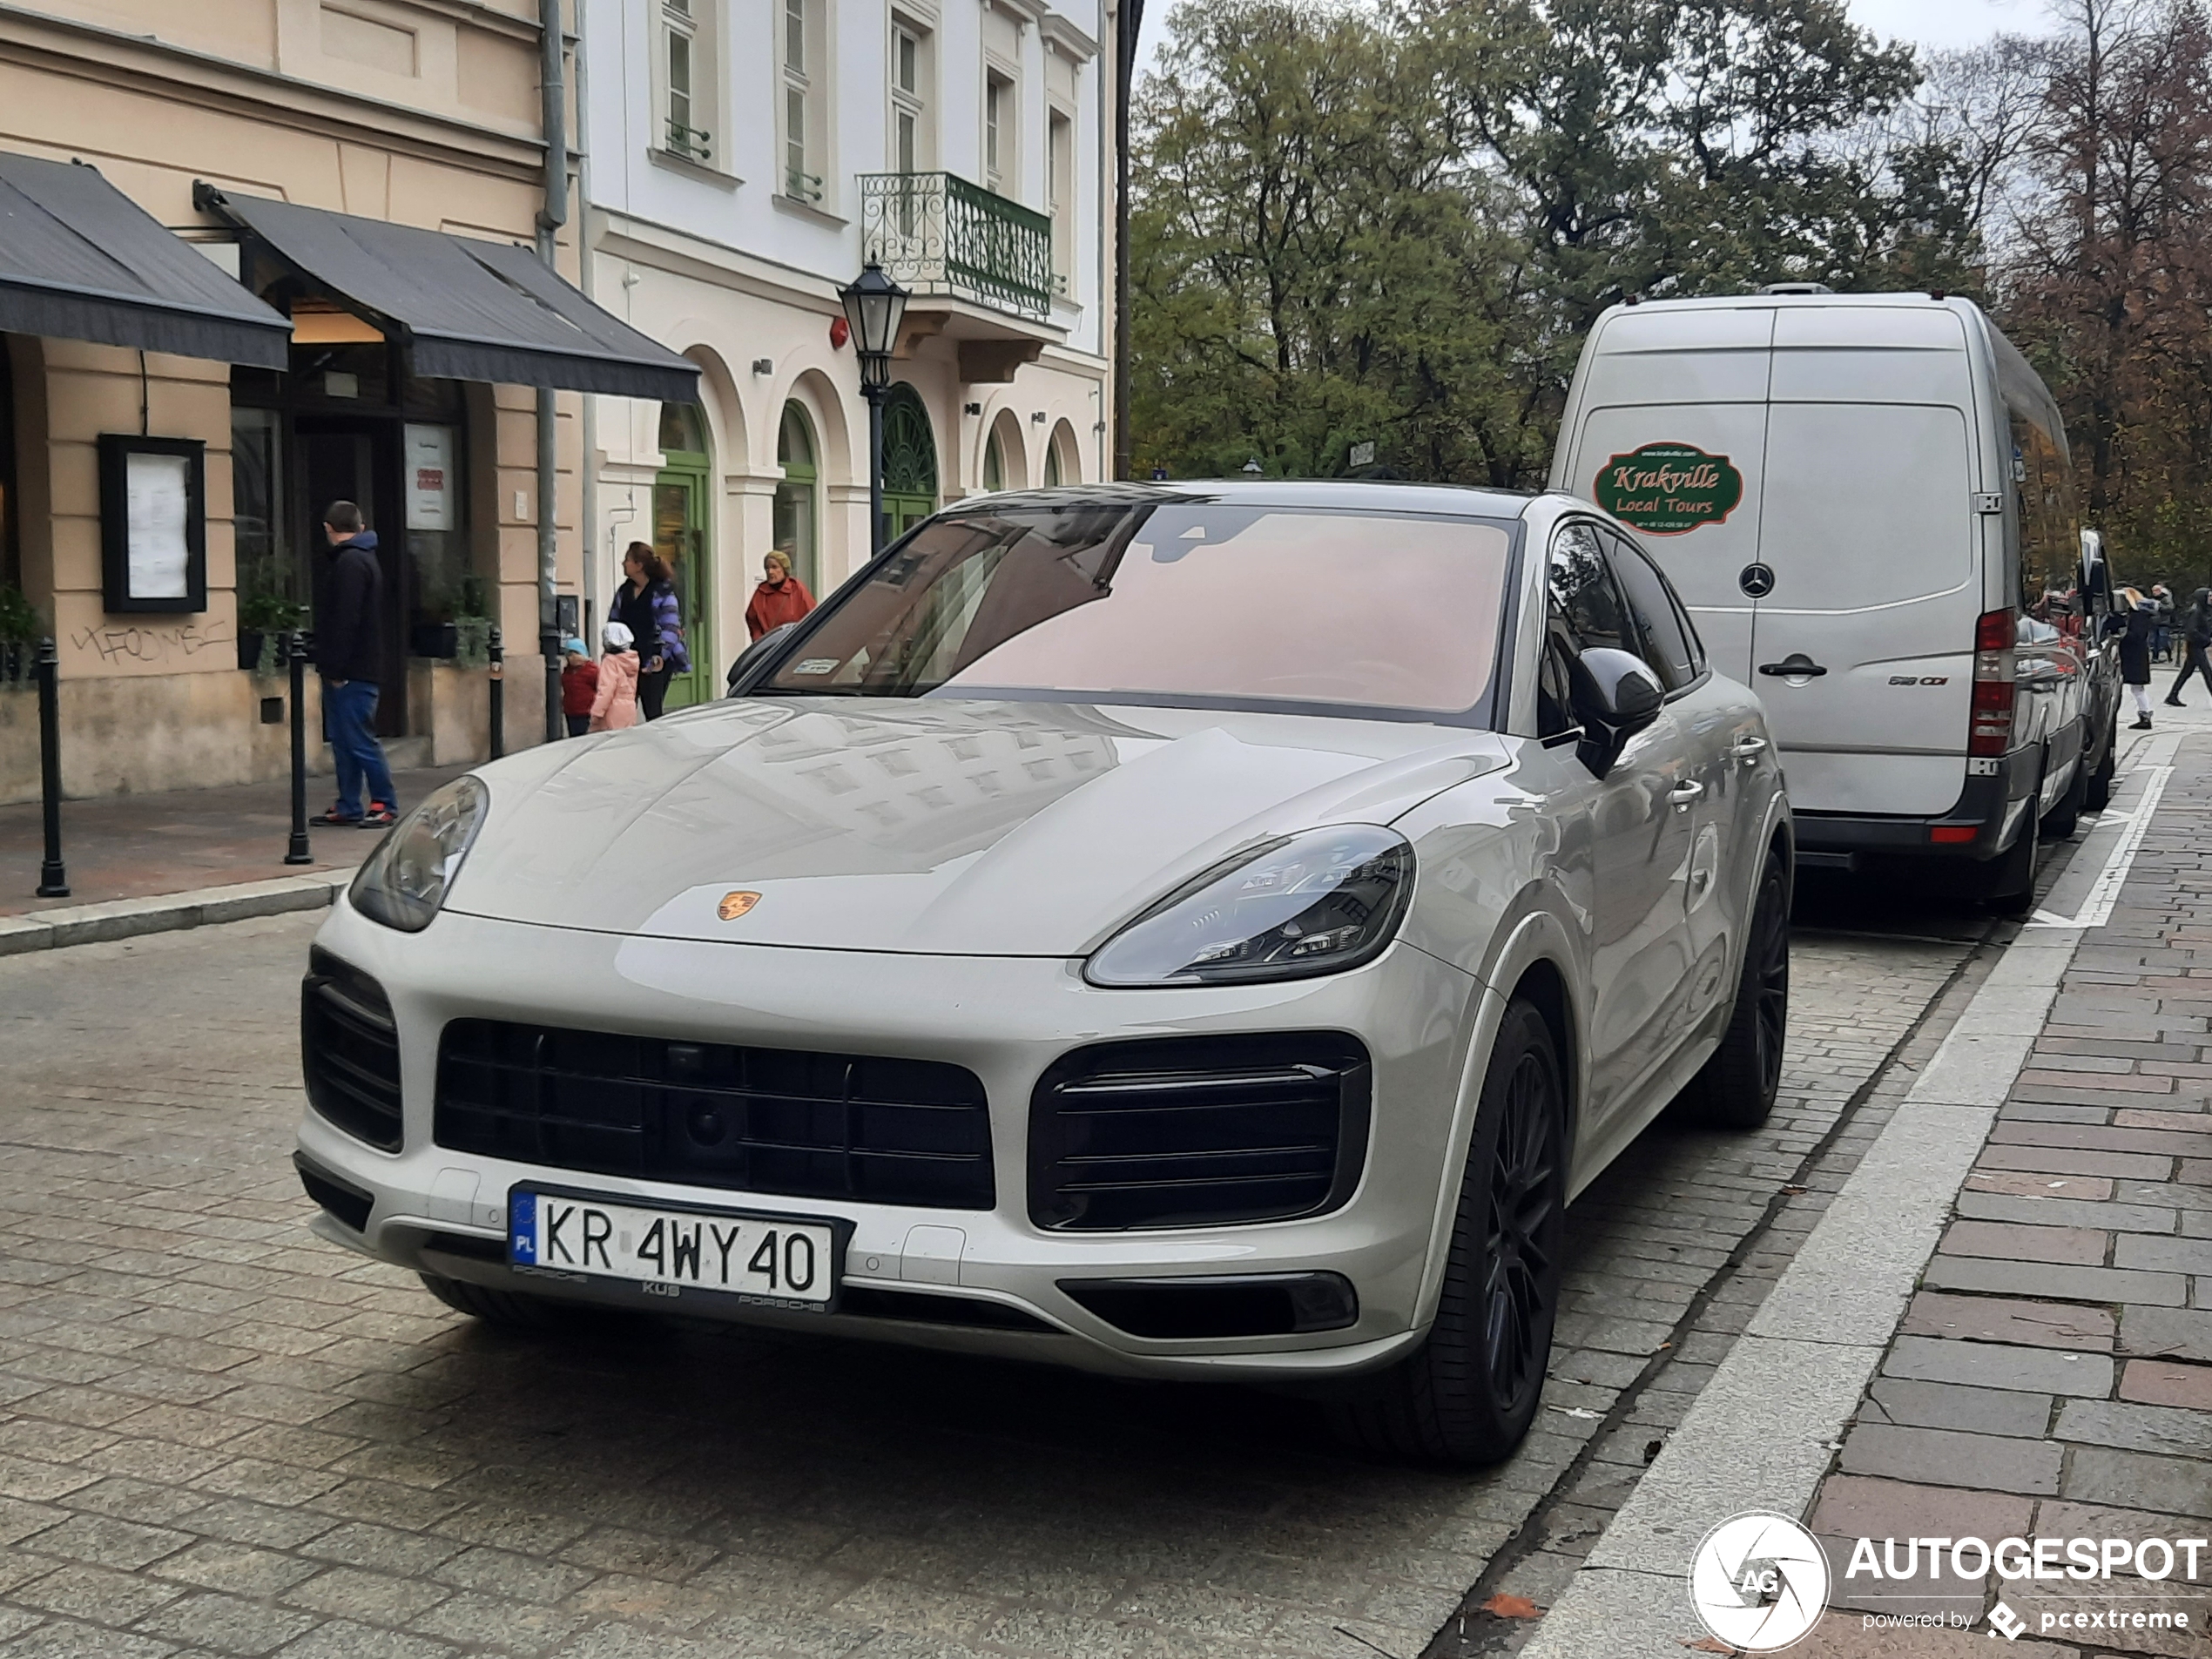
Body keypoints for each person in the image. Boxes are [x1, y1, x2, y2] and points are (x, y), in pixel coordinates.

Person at [309, 501, 397, 827]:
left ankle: (383, 803)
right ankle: (349, 804)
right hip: (358, 667)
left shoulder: (349, 564)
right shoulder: (363, 560)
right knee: (346, 741)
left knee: (358, 740)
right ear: (360, 527)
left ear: (328, 529)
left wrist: (334, 668)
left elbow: (345, 620)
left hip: (351, 671)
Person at [610, 543, 687, 720]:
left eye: (627, 560)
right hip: (629, 658)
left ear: (639, 565)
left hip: (654, 657)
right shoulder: (625, 591)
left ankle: (658, 744)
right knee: (622, 709)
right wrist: (613, 652)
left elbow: (670, 627)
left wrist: (659, 657)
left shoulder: (661, 592)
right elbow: (614, 623)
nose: (623, 563)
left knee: (653, 710)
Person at [745, 549, 816, 642]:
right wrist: (759, 640)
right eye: (767, 568)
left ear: (784, 569)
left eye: (774, 567)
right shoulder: (761, 592)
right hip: (768, 646)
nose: (770, 572)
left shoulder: (797, 589)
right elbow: (752, 620)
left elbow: (812, 616)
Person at [589, 621, 641, 732]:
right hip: (629, 709)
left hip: (612, 711)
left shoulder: (610, 661)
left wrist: (596, 714)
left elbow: (606, 690)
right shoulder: (632, 660)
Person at [2166, 586, 2212, 707]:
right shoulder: (2196, 612)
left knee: (2186, 672)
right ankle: (2172, 695)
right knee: (2208, 673)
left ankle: (2172, 695)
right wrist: (2206, 639)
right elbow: (2192, 631)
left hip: (2196, 645)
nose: (2211, 598)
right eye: (2209, 596)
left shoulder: (2202, 610)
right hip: (2195, 646)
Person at [2120, 588, 2157, 729]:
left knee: (2137, 687)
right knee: (2137, 687)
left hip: (2133, 654)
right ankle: (2145, 714)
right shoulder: (2141, 614)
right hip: (2135, 653)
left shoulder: (2137, 615)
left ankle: (2145, 715)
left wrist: (2121, 635)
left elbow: (2135, 635)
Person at [559, 637, 597, 738]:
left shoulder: (592, 670)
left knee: (584, 737)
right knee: (573, 737)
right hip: (571, 711)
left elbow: (600, 689)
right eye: (569, 655)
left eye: (575, 654)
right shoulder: (567, 672)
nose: (571, 658)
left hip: (586, 712)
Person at [2154, 583, 2176, 663]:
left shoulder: (2166, 598)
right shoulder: (2153, 599)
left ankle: (2168, 653)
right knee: (2154, 641)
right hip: (2154, 622)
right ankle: (2155, 657)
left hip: (2164, 622)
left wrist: (2159, 606)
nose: (2154, 592)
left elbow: (2170, 608)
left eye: (2156, 590)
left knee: (2163, 639)